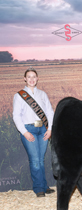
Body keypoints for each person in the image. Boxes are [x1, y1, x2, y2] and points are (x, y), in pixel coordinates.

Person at [13, 67, 55, 197]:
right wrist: (24, 132)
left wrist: (50, 129)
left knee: (41, 160)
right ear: (25, 79)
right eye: (29, 77)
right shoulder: (19, 95)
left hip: (43, 129)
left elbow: (49, 112)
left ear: (37, 79)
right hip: (29, 129)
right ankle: (38, 188)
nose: (31, 79)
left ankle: (44, 185)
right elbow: (16, 115)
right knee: (35, 160)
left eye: (34, 77)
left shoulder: (42, 94)